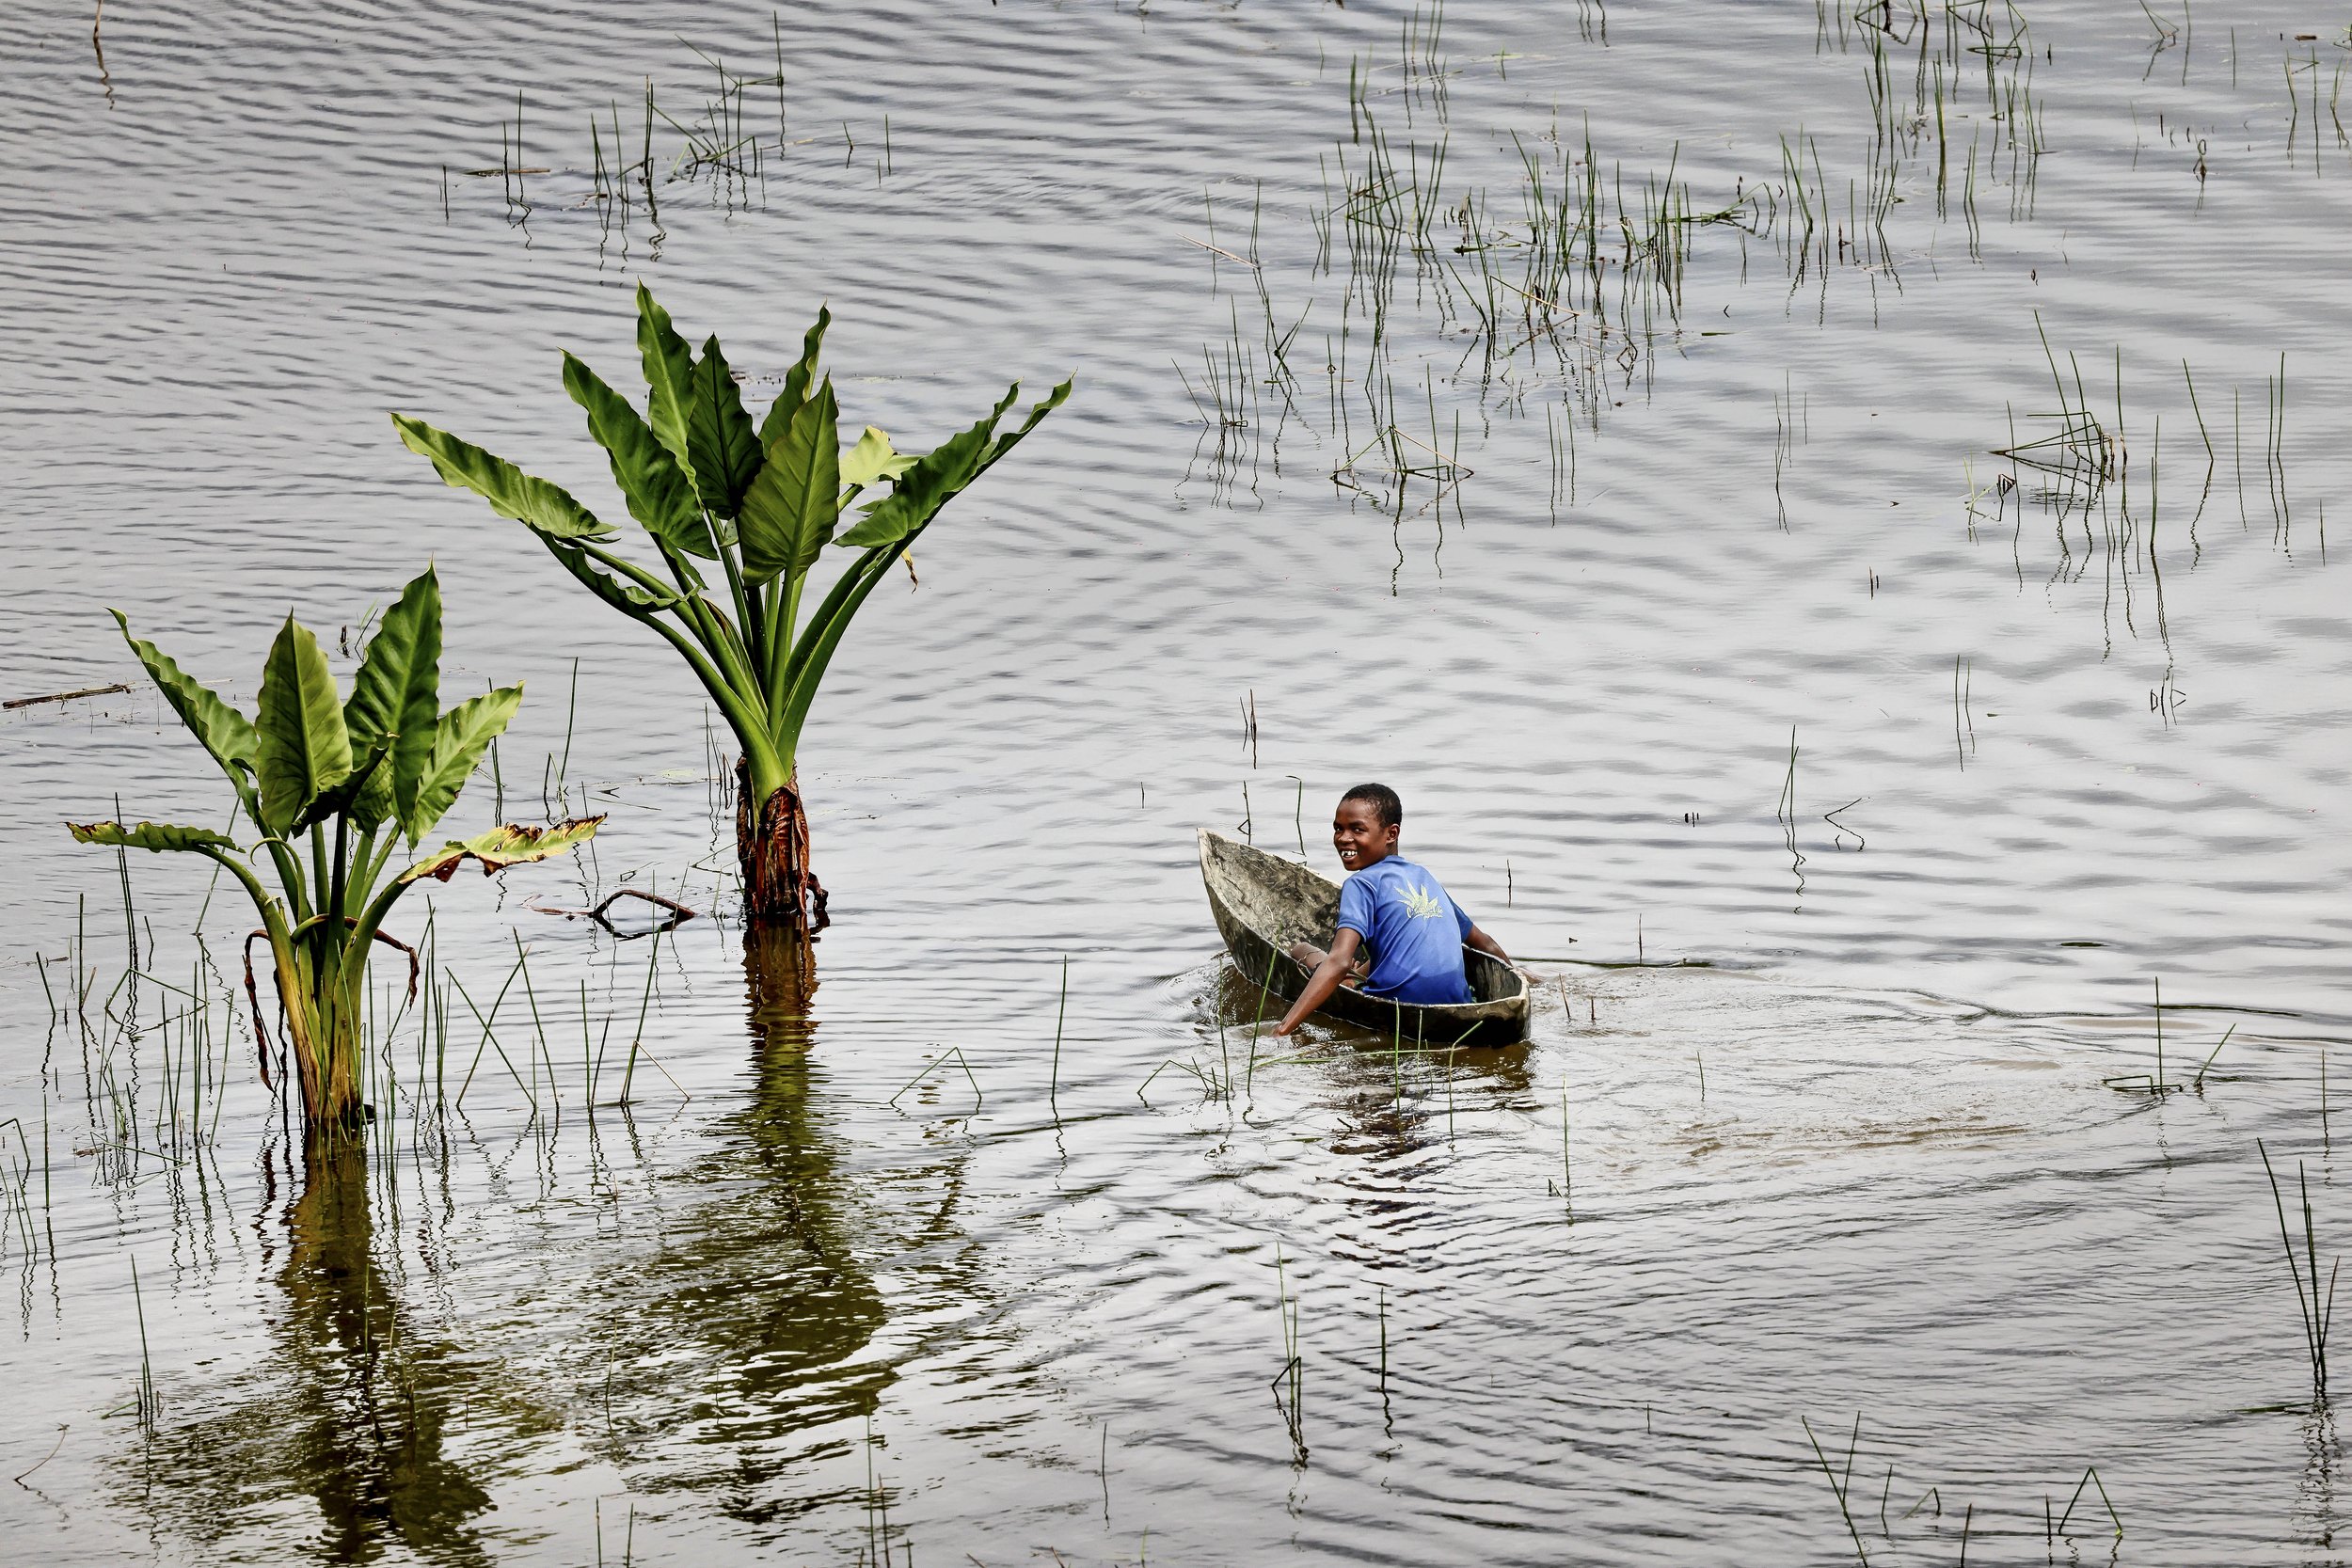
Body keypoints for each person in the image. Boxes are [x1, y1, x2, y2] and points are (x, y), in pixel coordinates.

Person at [1270, 783, 1510, 1037]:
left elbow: (1339, 961)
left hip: (1397, 1005)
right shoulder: (1423, 876)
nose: (1343, 838)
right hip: (1457, 1005)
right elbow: (1484, 943)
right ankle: (1354, 978)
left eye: (1357, 829)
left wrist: (1283, 1029)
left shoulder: (1360, 883)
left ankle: (1350, 980)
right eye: (1338, 829)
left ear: (1391, 834)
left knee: (1302, 950)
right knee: (1380, 953)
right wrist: (1520, 979)